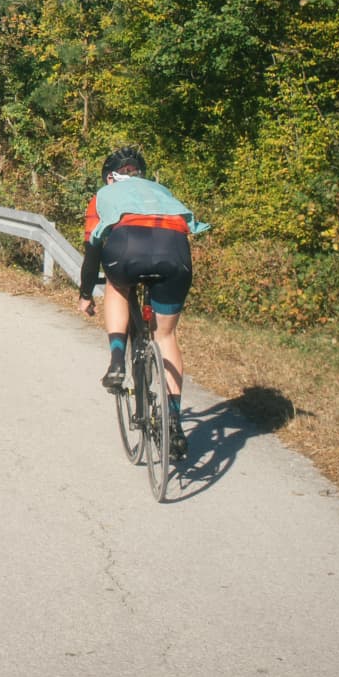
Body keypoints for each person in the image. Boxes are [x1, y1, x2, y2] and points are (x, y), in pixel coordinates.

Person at [77, 146, 208, 456]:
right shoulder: (160, 191)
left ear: (110, 177)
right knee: (165, 335)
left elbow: (93, 249)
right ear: (139, 173)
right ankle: (174, 422)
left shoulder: (102, 196)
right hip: (175, 253)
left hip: (127, 250)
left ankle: (117, 360)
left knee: (117, 286)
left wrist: (85, 294)